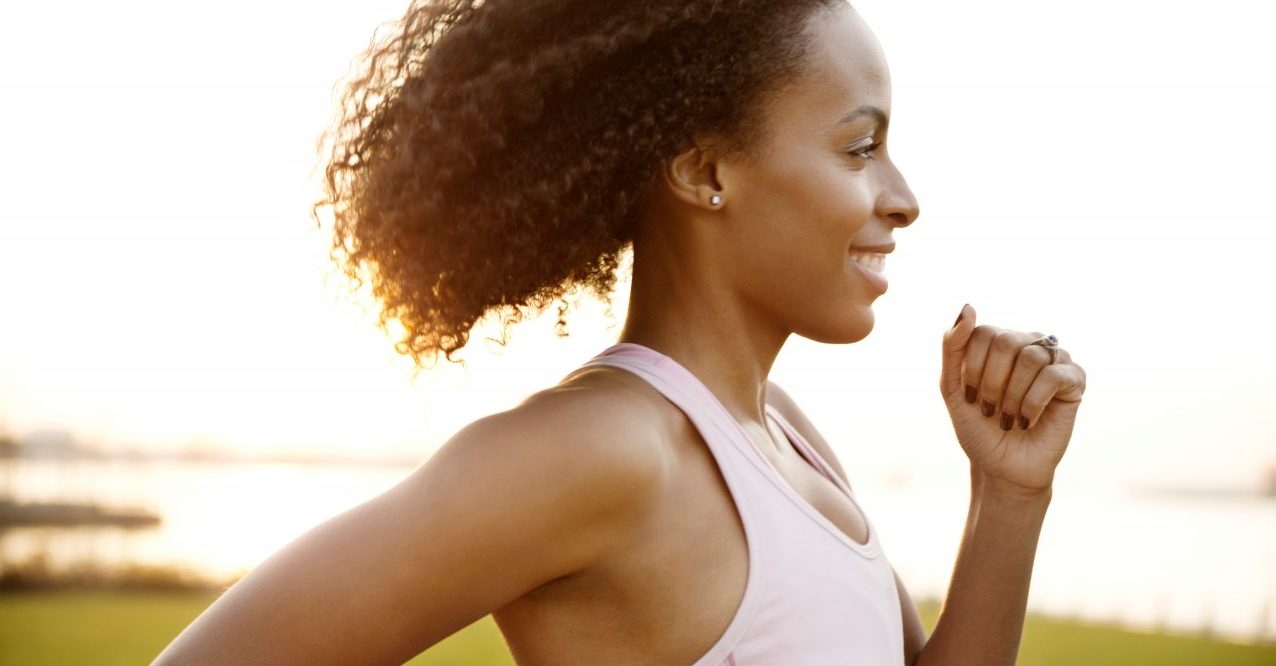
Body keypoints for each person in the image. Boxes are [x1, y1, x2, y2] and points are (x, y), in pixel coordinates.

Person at [152, 0, 1086, 664]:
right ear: (703, 169)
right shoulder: (601, 451)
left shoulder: (785, 433)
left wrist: (1007, 496)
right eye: (858, 147)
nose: (904, 198)